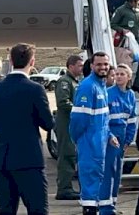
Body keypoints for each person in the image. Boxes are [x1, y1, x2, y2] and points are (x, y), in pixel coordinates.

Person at [0, 43, 54, 215]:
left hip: (3, 158)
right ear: (32, 61)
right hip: (29, 159)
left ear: (10, 60)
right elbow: (48, 124)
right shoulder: (36, 89)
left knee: (6, 209)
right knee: (38, 209)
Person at [70, 52, 112, 215]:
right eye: (99, 64)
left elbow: (103, 118)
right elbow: (78, 119)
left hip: (99, 143)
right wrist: (80, 140)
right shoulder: (88, 86)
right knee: (89, 182)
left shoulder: (101, 85)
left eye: (105, 64)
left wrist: (109, 135)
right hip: (89, 143)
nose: (103, 67)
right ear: (92, 66)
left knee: (97, 181)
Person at [99, 63, 138, 215]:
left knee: (117, 172)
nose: (119, 76)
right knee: (108, 171)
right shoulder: (108, 93)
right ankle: (105, 207)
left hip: (122, 138)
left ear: (129, 77)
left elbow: (132, 120)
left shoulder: (131, 95)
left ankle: (112, 203)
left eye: (123, 74)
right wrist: (109, 136)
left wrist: (128, 140)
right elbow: (103, 120)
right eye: (117, 74)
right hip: (110, 137)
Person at [55, 55, 84, 200]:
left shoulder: (75, 82)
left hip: (72, 124)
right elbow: (63, 102)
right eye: (79, 65)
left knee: (72, 154)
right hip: (65, 124)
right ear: (71, 66)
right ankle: (64, 188)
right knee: (67, 155)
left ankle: (66, 187)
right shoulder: (65, 82)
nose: (81, 68)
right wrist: (80, 110)